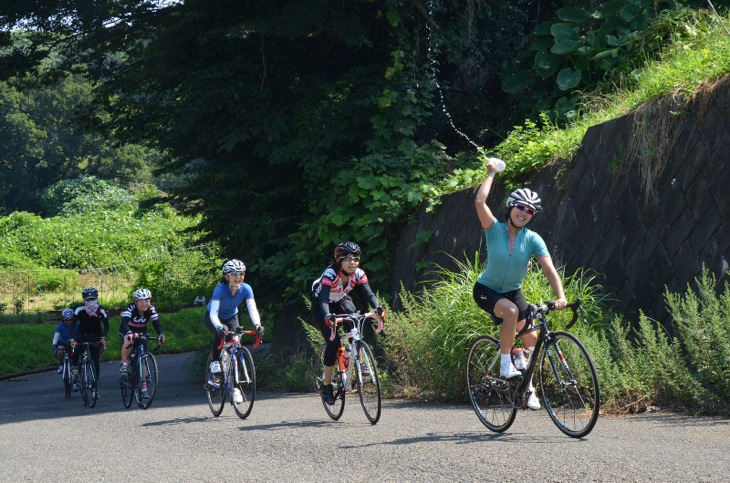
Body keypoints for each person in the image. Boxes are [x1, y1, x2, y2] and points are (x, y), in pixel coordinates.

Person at [473, 160, 567, 411]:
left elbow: (549, 269)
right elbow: (480, 202)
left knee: (532, 340)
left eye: (530, 211)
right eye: (520, 207)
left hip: (513, 292)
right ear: (511, 207)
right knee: (512, 313)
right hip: (486, 290)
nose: (524, 213)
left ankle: (527, 387)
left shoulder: (533, 239)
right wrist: (491, 173)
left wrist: (561, 296)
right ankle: (506, 363)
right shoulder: (494, 229)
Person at [311, 241, 384, 405]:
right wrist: (328, 316)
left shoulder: (358, 273)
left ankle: (358, 360)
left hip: (341, 299)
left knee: (354, 319)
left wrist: (378, 308)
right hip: (322, 304)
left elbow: (369, 294)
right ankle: (327, 385)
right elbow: (323, 300)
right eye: (349, 259)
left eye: (356, 259)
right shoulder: (330, 274)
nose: (353, 262)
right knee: (333, 342)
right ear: (339, 260)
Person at [203, 259, 264, 404]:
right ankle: (215, 363)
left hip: (231, 315)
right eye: (234, 274)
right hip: (214, 315)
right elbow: (213, 314)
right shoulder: (220, 289)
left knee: (235, 343)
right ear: (226, 276)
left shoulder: (247, 288)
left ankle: (235, 386)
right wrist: (219, 327)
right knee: (221, 334)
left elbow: (252, 308)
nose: (238, 276)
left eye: (241, 273)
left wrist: (257, 325)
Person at [118, 288, 166, 399]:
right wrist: (129, 332)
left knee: (143, 360)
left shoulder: (151, 309)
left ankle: (144, 389)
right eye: (142, 301)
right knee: (128, 338)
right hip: (127, 330)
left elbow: (156, 323)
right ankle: (124, 363)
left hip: (141, 332)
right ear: (136, 302)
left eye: (148, 300)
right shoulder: (131, 308)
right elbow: (124, 323)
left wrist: (160, 335)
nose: (145, 304)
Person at [69, 287, 110, 398]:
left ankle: (94, 387)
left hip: (96, 335)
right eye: (88, 300)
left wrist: (103, 337)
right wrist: (72, 338)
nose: (90, 302)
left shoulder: (101, 311)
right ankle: (75, 368)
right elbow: (73, 325)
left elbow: (106, 326)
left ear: (96, 298)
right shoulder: (79, 310)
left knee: (95, 361)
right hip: (81, 335)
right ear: (84, 300)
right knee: (76, 349)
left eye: (93, 299)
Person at [52, 308, 76, 374]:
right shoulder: (60, 326)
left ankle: (76, 365)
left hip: (73, 342)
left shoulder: (76, 325)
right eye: (66, 320)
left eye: (70, 320)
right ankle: (61, 365)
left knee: (77, 352)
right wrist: (54, 346)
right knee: (60, 350)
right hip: (63, 342)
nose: (68, 322)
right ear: (63, 319)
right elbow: (56, 337)